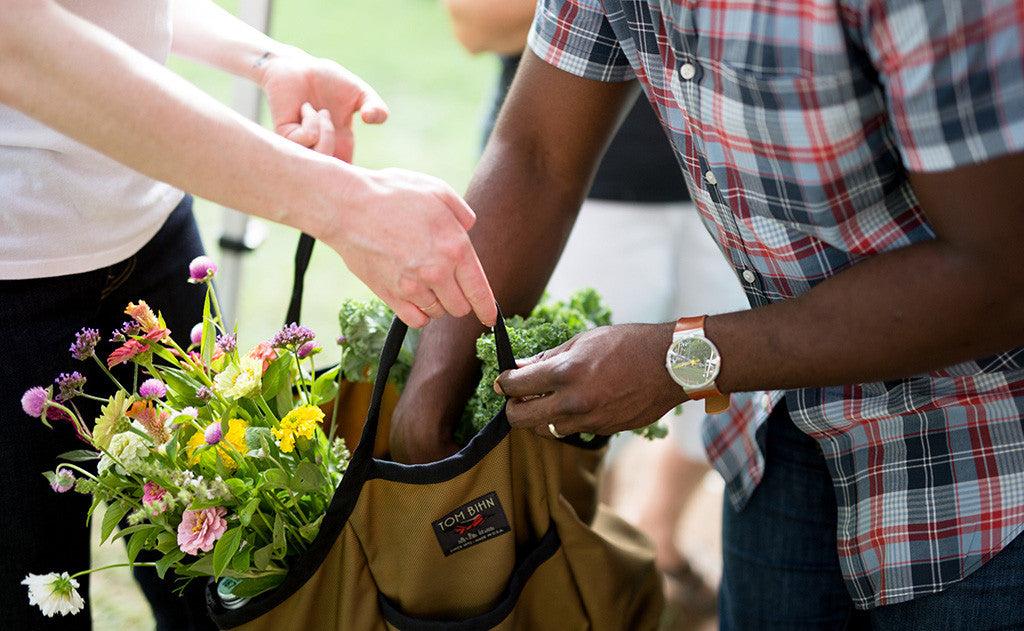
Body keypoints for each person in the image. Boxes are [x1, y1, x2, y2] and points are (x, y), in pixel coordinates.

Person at [391, 0, 1024, 629]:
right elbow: (536, 154)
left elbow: (1000, 276)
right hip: (780, 429)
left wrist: (681, 360)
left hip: (981, 458)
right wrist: (430, 391)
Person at [0, 1, 496, 628]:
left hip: (155, 243)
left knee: (224, 592)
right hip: (15, 288)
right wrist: (339, 204)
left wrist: (265, 58)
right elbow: (18, 42)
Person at [441, 0, 747, 620]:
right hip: (589, 196)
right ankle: (571, 579)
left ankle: (657, 538)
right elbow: (473, 23)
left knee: (726, 404)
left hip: (739, 188)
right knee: (567, 423)